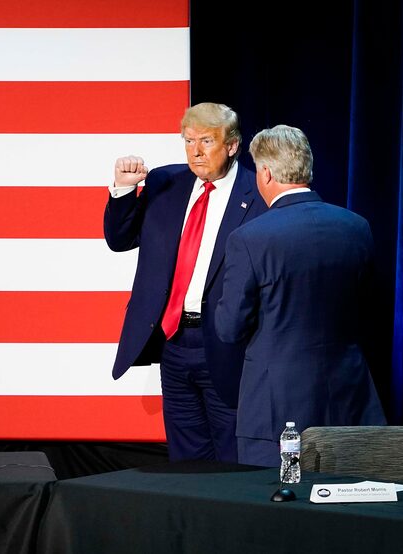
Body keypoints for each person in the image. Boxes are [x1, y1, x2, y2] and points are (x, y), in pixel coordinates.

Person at [214, 124, 386, 467]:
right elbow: (371, 312)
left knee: (279, 511)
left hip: (277, 410)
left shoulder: (249, 238)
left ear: (265, 172)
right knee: (350, 507)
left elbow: (228, 328)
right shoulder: (356, 227)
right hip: (350, 400)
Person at [104, 102, 267, 462]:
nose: (195, 151)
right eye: (188, 140)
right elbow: (120, 239)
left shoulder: (257, 194)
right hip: (173, 342)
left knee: (233, 454)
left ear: (232, 145)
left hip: (228, 346)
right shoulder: (166, 182)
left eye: (206, 141)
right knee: (186, 457)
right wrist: (123, 190)